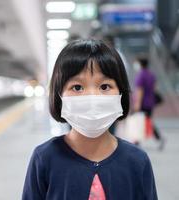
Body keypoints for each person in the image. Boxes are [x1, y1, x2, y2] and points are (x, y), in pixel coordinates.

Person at [22, 39, 157, 200]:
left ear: (121, 94)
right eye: (77, 87)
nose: (92, 97)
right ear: (58, 96)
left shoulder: (137, 161)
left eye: (105, 87)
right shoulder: (44, 159)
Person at [134, 57, 165, 150]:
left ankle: (137, 142)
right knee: (146, 121)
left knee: (142, 121)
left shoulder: (141, 75)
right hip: (150, 103)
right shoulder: (151, 75)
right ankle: (137, 142)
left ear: (140, 64)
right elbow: (154, 89)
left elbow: (140, 90)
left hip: (143, 103)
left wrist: (137, 103)